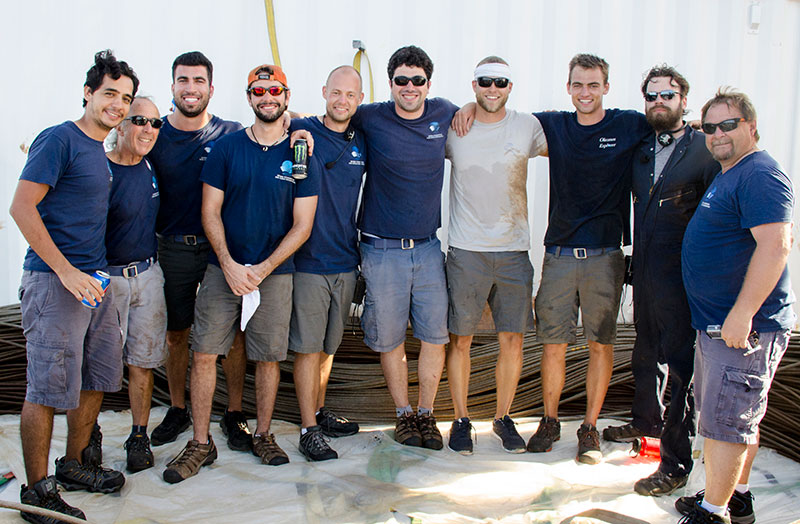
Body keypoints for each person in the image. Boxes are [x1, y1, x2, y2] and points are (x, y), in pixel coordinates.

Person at [163, 64, 319, 483]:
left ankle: (264, 434)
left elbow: (302, 225)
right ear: (248, 97)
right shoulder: (227, 148)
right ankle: (200, 443)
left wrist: (263, 269)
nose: (267, 97)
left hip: (276, 273)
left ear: (286, 96)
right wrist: (230, 264)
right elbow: (208, 211)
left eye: (275, 91)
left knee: (268, 358)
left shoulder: (301, 152)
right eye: (259, 91)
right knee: (203, 354)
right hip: (222, 269)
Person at [9, 50, 137, 523]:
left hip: (93, 284)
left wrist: (93, 277)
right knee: (45, 389)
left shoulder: (99, 152)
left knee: (95, 379)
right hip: (53, 283)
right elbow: (22, 208)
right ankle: (37, 491)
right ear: (88, 92)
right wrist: (65, 272)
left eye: (125, 98)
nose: (118, 105)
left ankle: (73, 465)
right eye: (109, 94)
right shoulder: (59, 140)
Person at [676, 88, 794, 524]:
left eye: (729, 124)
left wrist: (741, 314)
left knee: (726, 423)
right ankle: (737, 495)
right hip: (720, 325)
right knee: (738, 415)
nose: (718, 134)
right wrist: (698, 127)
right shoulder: (731, 169)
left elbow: (776, 245)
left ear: (752, 126)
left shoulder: (760, 174)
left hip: (744, 327)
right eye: (710, 127)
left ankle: (714, 512)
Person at [525, 54, 650, 464]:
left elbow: (671, 124)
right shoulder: (555, 125)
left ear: (606, 88)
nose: (585, 93)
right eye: (578, 84)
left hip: (605, 256)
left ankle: (590, 428)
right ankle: (549, 421)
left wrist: (706, 129)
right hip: (559, 253)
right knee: (553, 345)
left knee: (601, 344)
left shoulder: (628, 124)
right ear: (568, 87)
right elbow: (503, 117)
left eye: (593, 85)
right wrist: (470, 108)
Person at [602, 65, 719, 496]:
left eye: (667, 96)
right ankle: (644, 424)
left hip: (685, 279)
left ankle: (676, 462)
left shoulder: (704, 150)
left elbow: (718, 218)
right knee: (644, 354)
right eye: (651, 96)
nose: (658, 103)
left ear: (684, 100)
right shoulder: (642, 149)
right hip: (646, 273)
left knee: (680, 370)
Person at [352, 45, 458, 450]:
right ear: (390, 82)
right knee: (390, 339)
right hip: (381, 251)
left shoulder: (445, 112)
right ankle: (403, 416)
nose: (409, 87)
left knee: (435, 336)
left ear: (428, 84)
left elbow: (474, 112)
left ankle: (427, 413)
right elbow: (333, 118)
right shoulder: (371, 116)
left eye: (417, 80)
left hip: (429, 248)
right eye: (401, 80)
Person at [147, 52, 250, 451]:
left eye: (198, 81)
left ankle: (235, 412)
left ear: (211, 87)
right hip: (172, 248)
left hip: (219, 250)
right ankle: (177, 408)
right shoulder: (155, 135)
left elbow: (274, 131)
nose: (191, 89)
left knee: (234, 337)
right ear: (173, 86)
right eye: (183, 80)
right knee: (177, 335)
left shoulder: (231, 133)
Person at [444, 56, 547, 455]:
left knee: (513, 339)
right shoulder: (456, 127)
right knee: (461, 340)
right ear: (473, 85)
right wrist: (463, 110)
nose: (492, 89)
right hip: (466, 250)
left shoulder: (528, 127)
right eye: (484, 82)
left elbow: (578, 142)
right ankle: (460, 419)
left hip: (513, 251)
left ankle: (503, 419)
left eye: (500, 82)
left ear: (510, 86)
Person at [288, 65, 366, 461]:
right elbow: (272, 122)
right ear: (324, 92)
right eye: (336, 93)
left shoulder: (361, 139)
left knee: (328, 347)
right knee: (306, 347)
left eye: (350, 95)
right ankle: (307, 429)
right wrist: (292, 122)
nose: (342, 101)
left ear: (360, 100)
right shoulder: (300, 128)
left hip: (345, 258)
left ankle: (317, 411)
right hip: (308, 261)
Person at [105, 96, 168, 473]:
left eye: (155, 123)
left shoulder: (150, 166)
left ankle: (139, 435)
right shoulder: (100, 170)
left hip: (147, 275)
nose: (148, 129)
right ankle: (89, 437)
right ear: (120, 125)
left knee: (142, 363)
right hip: (108, 280)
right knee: (98, 366)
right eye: (140, 120)